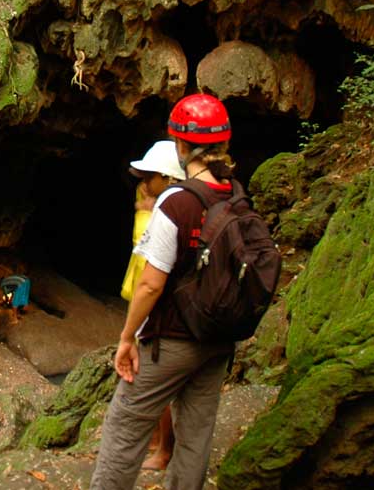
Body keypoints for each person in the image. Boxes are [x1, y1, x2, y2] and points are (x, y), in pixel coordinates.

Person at [91, 93, 239, 490]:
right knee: (197, 434)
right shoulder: (235, 195)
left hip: (173, 336)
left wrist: (128, 338)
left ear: (181, 145)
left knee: (125, 424)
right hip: (220, 336)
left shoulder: (177, 202)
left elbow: (152, 281)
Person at [119, 140, 184, 471]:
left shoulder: (164, 215)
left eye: (148, 175)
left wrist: (143, 217)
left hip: (157, 311)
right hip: (158, 308)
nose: (142, 181)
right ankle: (161, 444)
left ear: (166, 177)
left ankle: (163, 449)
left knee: (152, 382)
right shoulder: (174, 206)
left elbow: (147, 266)